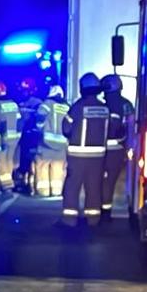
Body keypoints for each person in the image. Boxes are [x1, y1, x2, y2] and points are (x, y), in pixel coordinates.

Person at [61, 73, 112, 226]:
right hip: (98, 157)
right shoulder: (104, 108)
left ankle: (69, 219)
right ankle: (93, 219)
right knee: (94, 187)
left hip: (77, 156)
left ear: (83, 88)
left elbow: (66, 128)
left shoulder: (77, 107)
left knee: (72, 187)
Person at [98, 74, 135, 218]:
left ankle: (96, 210)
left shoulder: (101, 105)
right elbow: (131, 129)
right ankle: (106, 212)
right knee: (110, 182)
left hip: (99, 151)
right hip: (117, 150)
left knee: (97, 180)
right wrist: (130, 148)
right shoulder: (126, 105)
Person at [32, 85, 70, 197]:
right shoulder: (67, 107)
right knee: (58, 167)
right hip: (62, 143)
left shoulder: (47, 104)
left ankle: (43, 191)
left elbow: (40, 115)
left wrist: (40, 127)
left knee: (42, 165)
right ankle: (56, 191)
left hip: (46, 142)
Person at [0, 81, 20, 193]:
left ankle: (6, 185)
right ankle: (9, 182)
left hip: (1, 137)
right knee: (9, 160)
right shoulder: (13, 104)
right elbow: (19, 120)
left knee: (1, 161)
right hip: (14, 137)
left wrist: (1, 137)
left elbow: (0, 123)